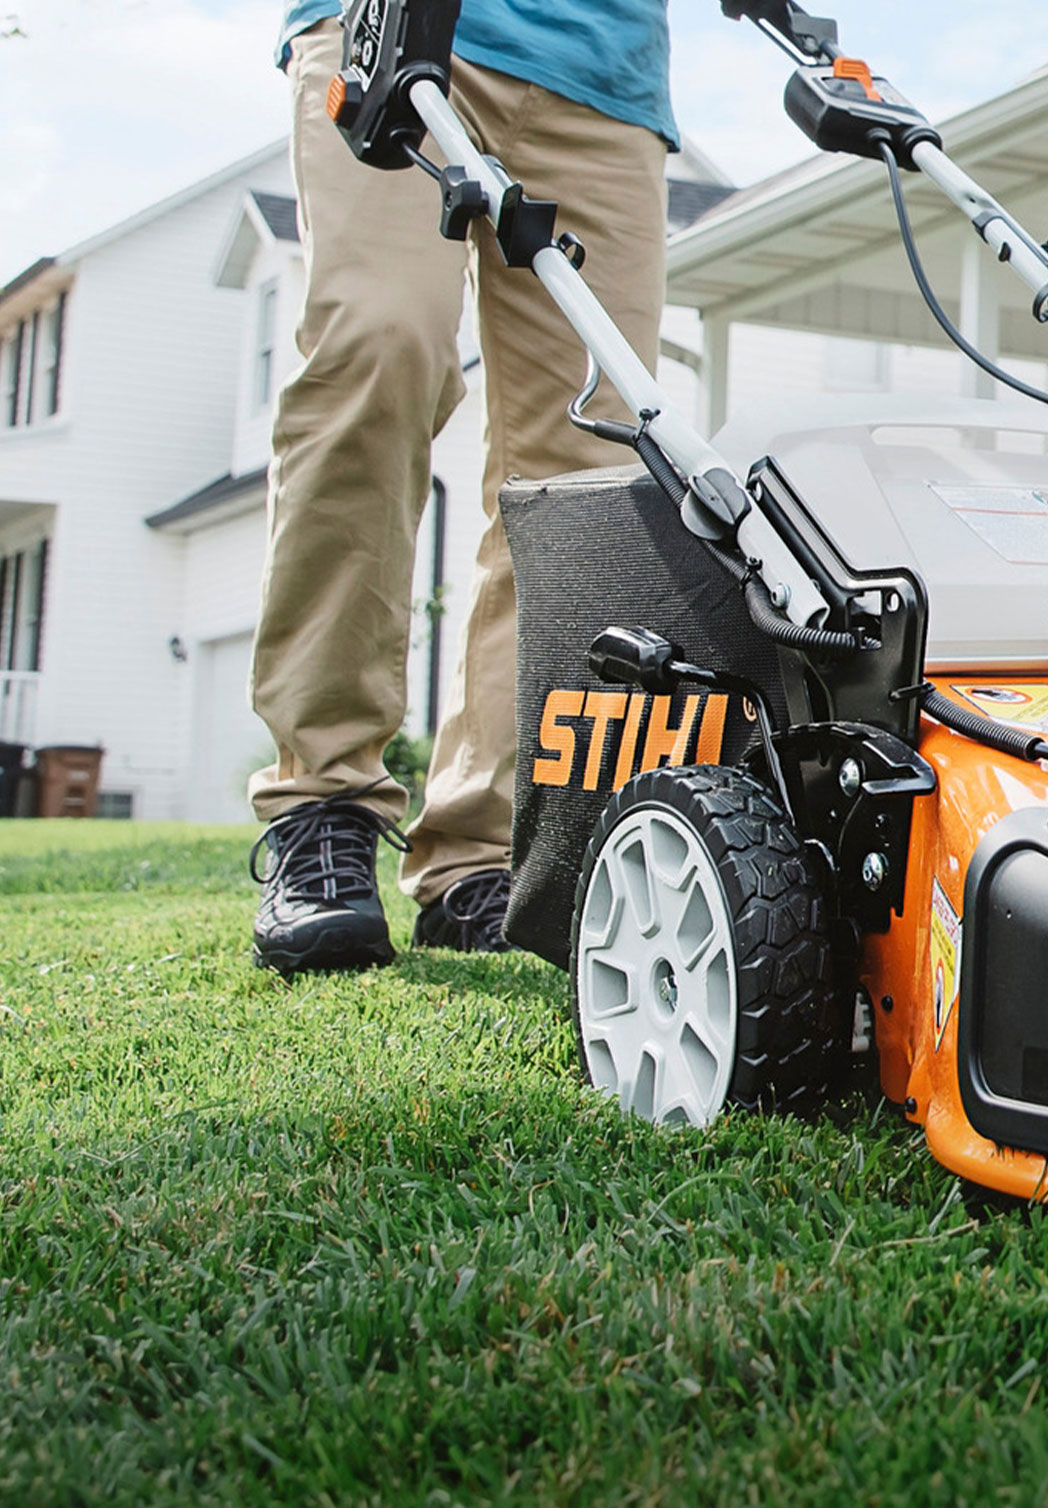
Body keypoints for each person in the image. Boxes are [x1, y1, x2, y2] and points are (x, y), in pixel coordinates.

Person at [249, 0, 676, 973]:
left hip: (603, 72)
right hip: (405, 20)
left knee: (586, 455)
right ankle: (323, 800)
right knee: (378, 343)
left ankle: (481, 855)